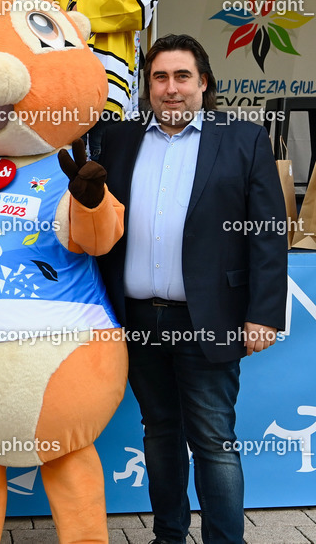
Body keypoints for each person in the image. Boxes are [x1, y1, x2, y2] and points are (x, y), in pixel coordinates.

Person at [97, 34, 286, 544]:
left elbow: (268, 232)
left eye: (183, 77)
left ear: (204, 83)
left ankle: (226, 540)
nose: (171, 88)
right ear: (146, 85)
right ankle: (168, 536)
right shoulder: (119, 137)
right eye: (160, 77)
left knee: (213, 441)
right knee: (159, 433)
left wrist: (264, 313)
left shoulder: (242, 138)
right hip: (137, 318)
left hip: (210, 316)